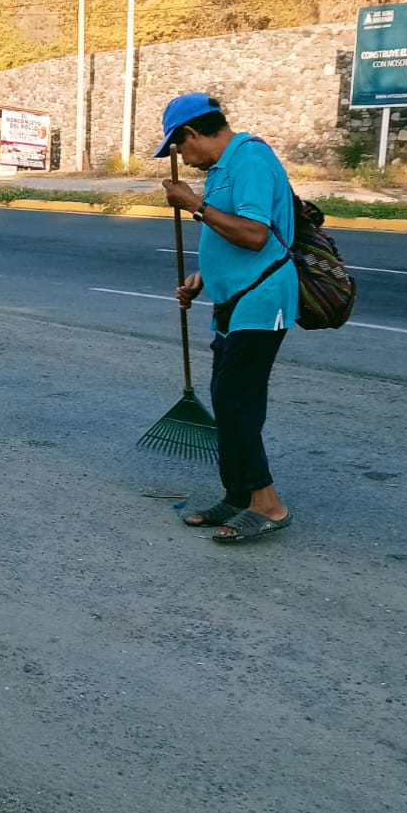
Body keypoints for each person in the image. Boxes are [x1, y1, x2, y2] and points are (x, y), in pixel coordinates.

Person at [156, 93, 299, 543]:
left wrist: (195, 205)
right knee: (227, 399)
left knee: (238, 402)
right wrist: (204, 277)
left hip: (263, 299)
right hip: (233, 300)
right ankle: (238, 495)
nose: (182, 158)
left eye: (179, 148)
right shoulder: (221, 169)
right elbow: (230, 237)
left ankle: (268, 505)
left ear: (193, 134)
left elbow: (256, 236)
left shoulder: (251, 158)